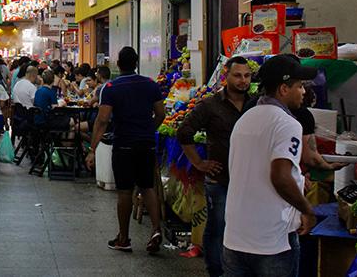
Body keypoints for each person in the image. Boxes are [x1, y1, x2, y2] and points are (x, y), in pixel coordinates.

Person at [223, 54, 318, 277]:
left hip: (235, 238)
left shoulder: (245, 119)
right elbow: (281, 177)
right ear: (284, 89)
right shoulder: (287, 124)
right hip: (272, 242)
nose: (303, 92)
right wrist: (307, 209)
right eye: (299, 86)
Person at [176, 56, 252, 277]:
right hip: (220, 178)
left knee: (245, 227)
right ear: (226, 76)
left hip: (249, 180)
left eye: (247, 76)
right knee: (218, 226)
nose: (243, 80)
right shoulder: (210, 105)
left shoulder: (255, 104)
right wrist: (198, 163)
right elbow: (184, 132)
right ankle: (216, 271)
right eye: (237, 75)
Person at [86, 47, 166, 253]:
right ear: (136, 63)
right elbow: (161, 114)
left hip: (124, 144)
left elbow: (102, 120)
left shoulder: (111, 88)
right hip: (146, 144)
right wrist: (148, 130)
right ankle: (156, 230)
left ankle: (123, 238)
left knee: (124, 191)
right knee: (147, 187)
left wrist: (92, 149)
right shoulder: (150, 85)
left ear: (119, 64)